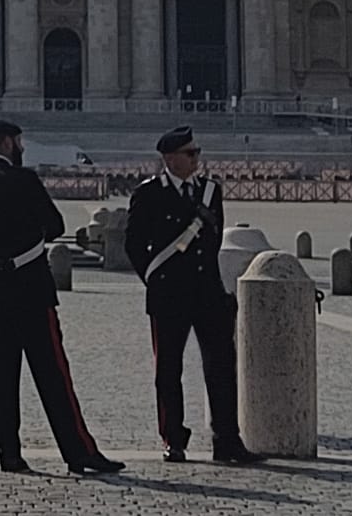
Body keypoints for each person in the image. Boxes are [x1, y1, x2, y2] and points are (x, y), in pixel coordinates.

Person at [0, 119, 122, 476]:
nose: (22, 148)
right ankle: (78, 451)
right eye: (18, 142)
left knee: (1, 373)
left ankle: (9, 452)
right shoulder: (25, 180)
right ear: (6, 143)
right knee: (53, 373)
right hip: (31, 286)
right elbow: (56, 226)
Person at [123, 127, 261, 464]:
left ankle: (226, 440)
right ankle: (174, 438)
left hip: (207, 292)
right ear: (170, 159)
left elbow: (211, 243)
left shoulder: (210, 191)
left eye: (197, 152)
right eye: (190, 153)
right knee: (168, 369)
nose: (196, 158)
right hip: (169, 294)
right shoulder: (149, 194)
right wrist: (154, 281)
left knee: (221, 367)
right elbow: (134, 245)